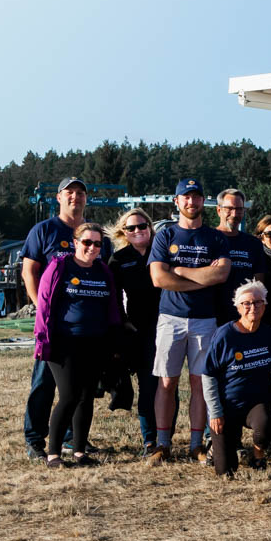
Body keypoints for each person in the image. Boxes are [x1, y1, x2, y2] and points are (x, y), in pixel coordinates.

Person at [19, 177, 112, 459]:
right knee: (44, 383)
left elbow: (102, 275)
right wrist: (42, 311)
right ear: (58, 197)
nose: (75, 197)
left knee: (80, 388)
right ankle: (35, 439)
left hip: (86, 331)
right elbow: (29, 272)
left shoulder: (97, 236)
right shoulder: (44, 230)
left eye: (80, 193)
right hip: (54, 327)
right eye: (69, 192)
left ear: (86, 198)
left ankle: (73, 440)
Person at [147, 178, 231, 465]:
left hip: (205, 320)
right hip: (171, 319)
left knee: (200, 383)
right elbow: (159, 278)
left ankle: (196, 444)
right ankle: (162, 443)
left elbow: (220, 275)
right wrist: (201, 278)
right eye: (186, 197)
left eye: (196, 197)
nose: (191, 202)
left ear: (203, 201)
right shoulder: (165, 236)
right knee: (167, 382)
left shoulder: (215, 238)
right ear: (177, 201)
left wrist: (180, 271)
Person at [33, 222, 122, 468]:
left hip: (95, 342)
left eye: (97, 243)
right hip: (63, 342)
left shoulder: (103, 271)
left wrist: (114, 341)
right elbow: (44, 306)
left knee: (86, 397)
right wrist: (43, 341)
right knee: (69, 395)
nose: (92, 248)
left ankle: (80, 451)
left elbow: (112, 307)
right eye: (87, 242)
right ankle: (53, 454)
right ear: (75, 243)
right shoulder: (60, 267)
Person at [200, 280, 271, 476]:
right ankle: (215, 449)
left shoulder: (269, 334)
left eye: (258, 302)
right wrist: (215, 412)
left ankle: (258, 456)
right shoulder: (225, 335)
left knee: (266, 425)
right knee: (225, 471)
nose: (253, 307)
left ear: (265, 305)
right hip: (228, 406)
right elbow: (208, 375)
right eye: (247, 303)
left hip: (257, 403)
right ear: (237, 307)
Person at [109, 207, 161, 454]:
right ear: (124, 232)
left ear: (150, 228)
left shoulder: (162, 252)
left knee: (168, 385)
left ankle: (166, 439)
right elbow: (113, 297)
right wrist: (123, 321)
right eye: (132, 228)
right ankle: (150, 440)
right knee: (148, 386)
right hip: (139, 329)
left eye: (142, 226)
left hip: (167, 325)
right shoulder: (118, 260)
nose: (138, 230)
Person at [214, 189, 268, 325]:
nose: (234, 214)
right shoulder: (208, 239)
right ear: (219, 210)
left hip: (245, 315)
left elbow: (259, 282)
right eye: (229, 209)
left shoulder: (253, 243)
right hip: (213, 315)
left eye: (239, 209)